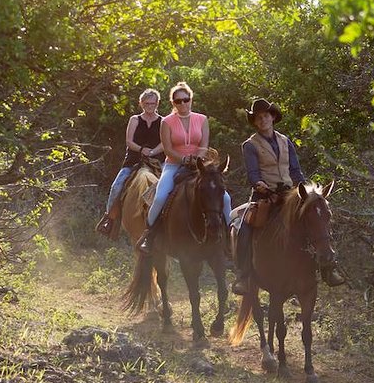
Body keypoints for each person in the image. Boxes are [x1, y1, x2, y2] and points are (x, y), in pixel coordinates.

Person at [231, 98, 345, 295]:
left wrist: (305, 190)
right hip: (264, 195)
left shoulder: (286, 141)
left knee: (317, 219)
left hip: (290, 194)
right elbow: (253, 174)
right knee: (245, 227)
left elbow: (296, 170)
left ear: (272, 117)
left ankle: (329, 268)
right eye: (258, 118)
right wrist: (265, 189)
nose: (262, 120)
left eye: (265, 116)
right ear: (255, 122)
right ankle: (243, 274)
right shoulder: (250, 145)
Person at [136, 82, 232, 253]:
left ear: (190, 100)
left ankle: (228, 238)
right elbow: (167, 148)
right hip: (173, 164)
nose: (182, 104)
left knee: (225, 198)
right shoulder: (166, 122)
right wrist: (183, 159)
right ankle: (149, 236)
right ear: (173, 103)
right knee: (160, 197)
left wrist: (197, 159)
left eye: (185, 100)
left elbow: (204, 145)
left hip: (199, 166)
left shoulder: (202, 119)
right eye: (178, 101)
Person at [96, 88, 165, 238]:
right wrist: (142, 150)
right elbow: (129, 141)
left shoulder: (163, 121)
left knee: (172, 184)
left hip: (157, 161)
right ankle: (110, 220)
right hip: (134, 160)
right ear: (141, 103)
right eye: (147, 103)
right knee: (117, 185)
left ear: (157, 103)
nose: (150, 106)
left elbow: (165, 142)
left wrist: (152, 152)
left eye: (153, 103)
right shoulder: (135, 119)